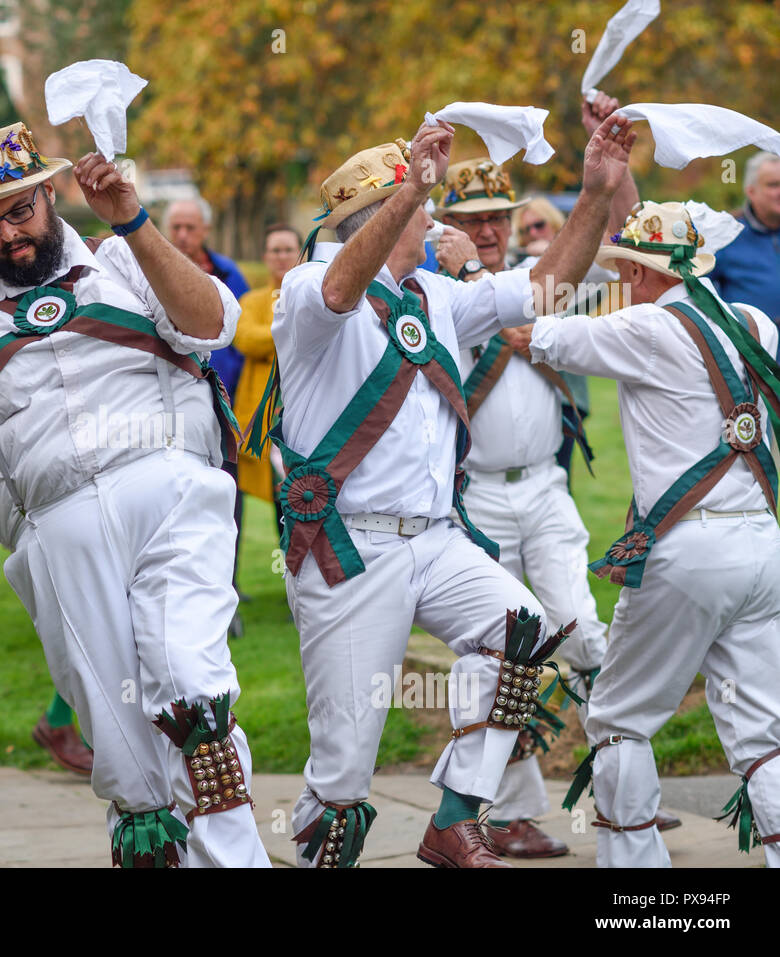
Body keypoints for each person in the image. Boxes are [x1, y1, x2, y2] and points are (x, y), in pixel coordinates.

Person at [0, 121, 269, 867]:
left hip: (170, 490)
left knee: (193, 689)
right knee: (130, 757)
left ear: (50, 194)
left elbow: (214, 325)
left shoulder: (125, 258)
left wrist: (133, 218)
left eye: (20, 211)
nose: (9, 236)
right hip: (55, 530)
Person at [264, 113, 635, 868]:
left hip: (434, 537)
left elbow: (545, 287)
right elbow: (343, 286)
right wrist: (412, 189)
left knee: (524, 630)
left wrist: (596, 194)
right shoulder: (307, 289)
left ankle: (457, 818)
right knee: (343, 777)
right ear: (383, 214)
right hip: (349, 548)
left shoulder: (433, 293)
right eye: (421, 206)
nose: (434, 219)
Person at [534, 200, 780, 868]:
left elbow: (545, 335)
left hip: (690, 551)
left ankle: (637, 878)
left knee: (617, 717)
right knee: (764, 734)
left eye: (624, 269)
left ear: (640, 274)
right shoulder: (756, 322)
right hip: (764, 545)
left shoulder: (642, 324)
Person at [430, 94, 637, 857]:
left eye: (498, 217)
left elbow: (629, 251)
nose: (488, 230)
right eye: (473, 218)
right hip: (473, 498)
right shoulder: (430, 297)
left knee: (582, 632)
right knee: (494, 653)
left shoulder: (539, 281)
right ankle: (504, 812)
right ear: (445, 223)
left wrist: (611, 173)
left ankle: (623, 791)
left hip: (544, 489)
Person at [165, 197, 250, 632]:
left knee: (227, 501)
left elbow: (242, 338)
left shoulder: (230, 276)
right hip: (168, 417)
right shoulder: (148, 273)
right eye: (175, 227)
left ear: (205, 230)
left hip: (223, 411)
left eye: (190, 228)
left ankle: (227, 593)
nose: (181, 235)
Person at [233, 224, 300, 533]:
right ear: (265, 257)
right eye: (275, 250)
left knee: (304, 494)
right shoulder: (251, 301)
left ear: (300, 254)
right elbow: (245, 338)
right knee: (276, 497)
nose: (282, 257)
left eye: (288, 249)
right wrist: (291, 331)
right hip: (263, 415)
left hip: (302, 411)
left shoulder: (311, 296)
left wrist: (271, 338)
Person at [711, 151, 780, 323]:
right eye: (773, 185)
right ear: (751, 191)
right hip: (750, 348)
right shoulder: (727, 233)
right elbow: (698, 295)